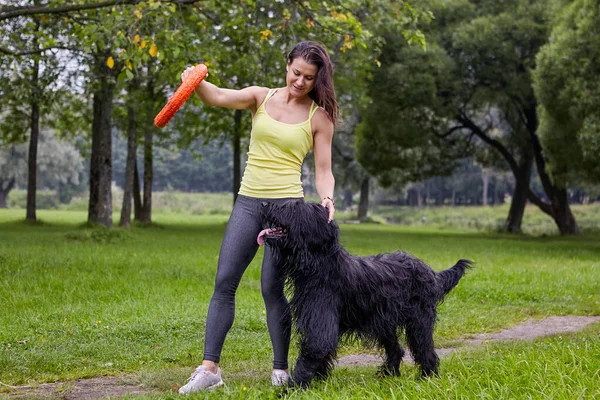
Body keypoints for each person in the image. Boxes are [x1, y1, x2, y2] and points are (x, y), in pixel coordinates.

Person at [178, 41, 338, 393]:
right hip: (249, 202)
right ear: (287, 66)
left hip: (288, 211)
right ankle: (210, 369)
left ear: (317, 80)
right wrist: (192, 80)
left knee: (272, 288)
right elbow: (216, 96)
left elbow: (323, 170)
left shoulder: (319, 118)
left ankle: (280, 370)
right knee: (224, 282)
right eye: (296, 73)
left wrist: (326, 196)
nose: (300, 82)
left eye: (309, 78)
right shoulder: (259, 97)